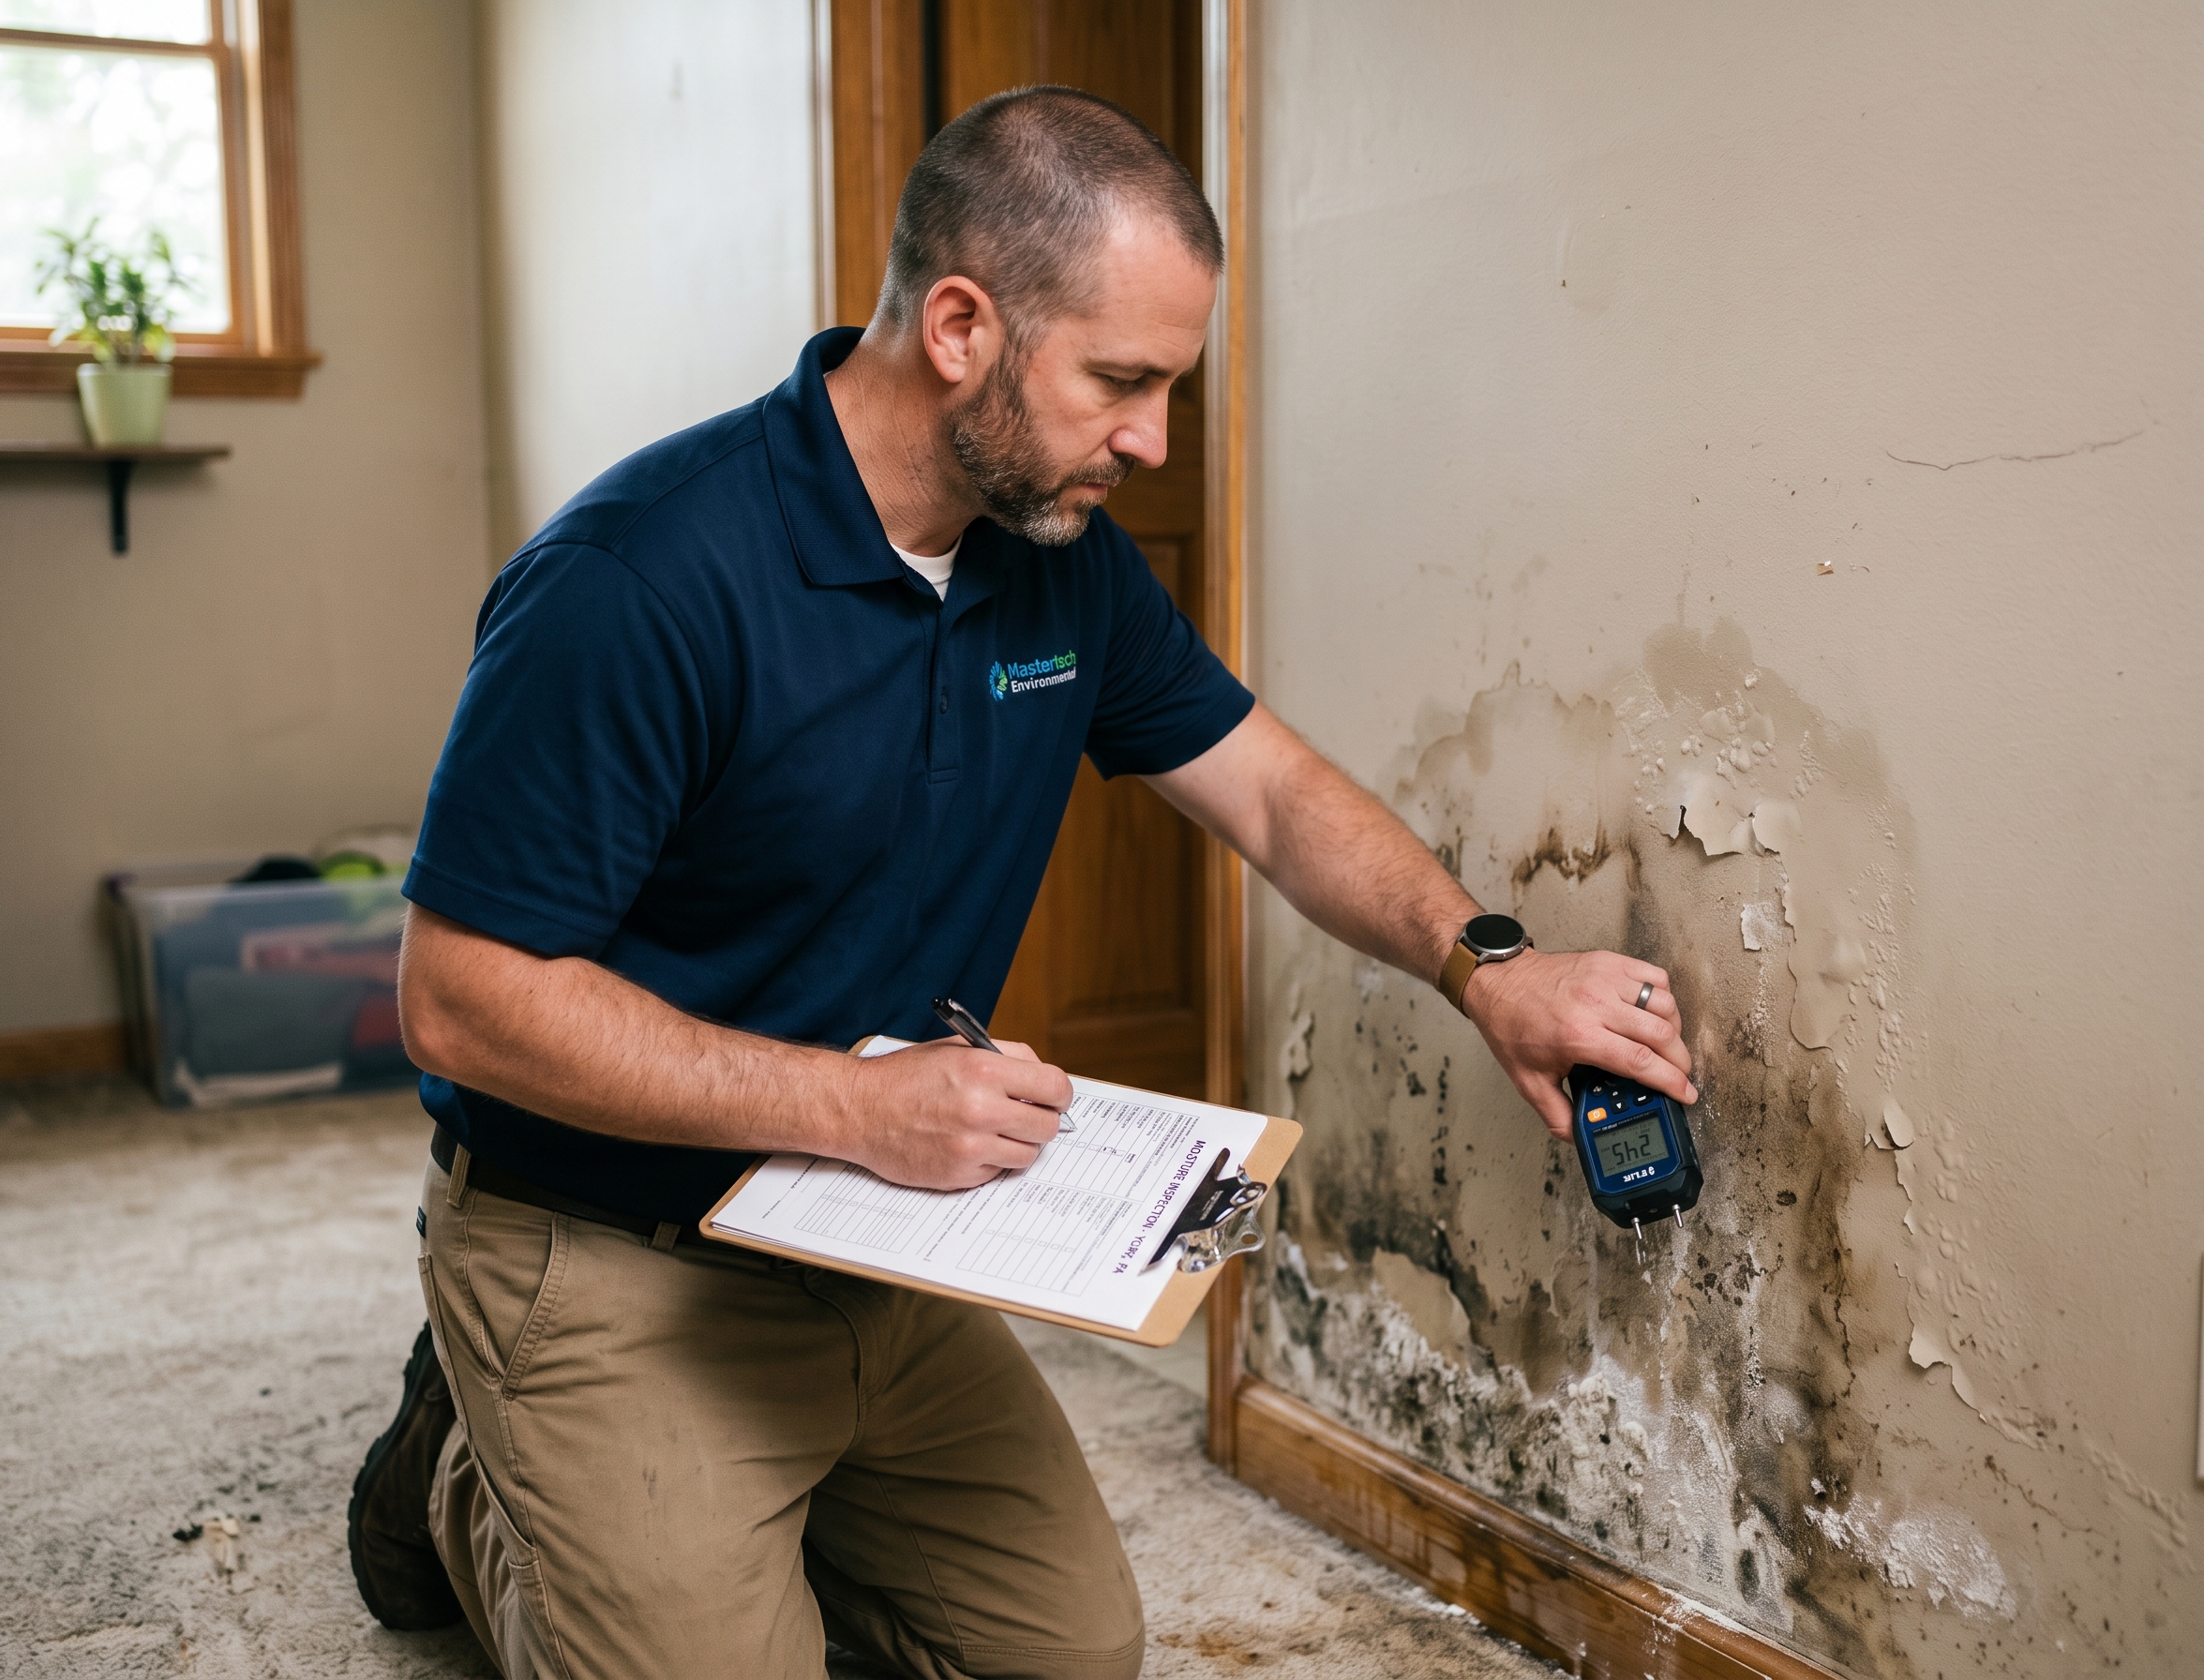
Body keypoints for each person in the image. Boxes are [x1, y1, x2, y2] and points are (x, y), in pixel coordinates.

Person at [346, 85, 1695, 1680]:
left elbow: (1264, 787)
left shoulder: (1055, 556)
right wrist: (856, 1109)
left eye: (1172, 387)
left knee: (1065, 1657)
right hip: (608, 1233)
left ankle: (717, 1535)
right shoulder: (637, 584)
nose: (1153, 442)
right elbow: (459, 1003)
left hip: (870, 1229)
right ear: (962, 326)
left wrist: (1492, 965)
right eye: (1122, 381)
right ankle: (465, 1470)